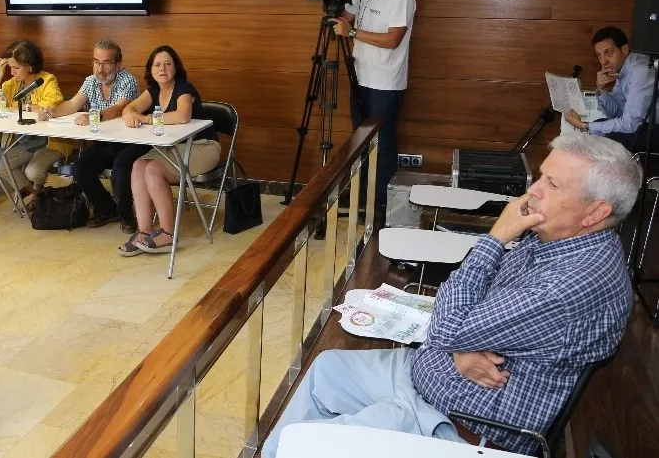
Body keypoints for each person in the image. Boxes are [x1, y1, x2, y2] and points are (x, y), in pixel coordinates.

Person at [262, 134, 636, 458]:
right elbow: (460, 321)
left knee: (306, 442)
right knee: (324, 370)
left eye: (552, 185)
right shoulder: (559, 238)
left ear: (596, 212)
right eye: (540, 176)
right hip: (442, 374)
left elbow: (449, 327)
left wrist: (495, 238)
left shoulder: (571, 283)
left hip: (462, 423)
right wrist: (458, 344)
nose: (532, 191)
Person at [332, 0, 416, 212]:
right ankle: (362, 195)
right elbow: (348, 16)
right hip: (360, 78)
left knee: (382, 142)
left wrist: (352, 32)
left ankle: (379, 202)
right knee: (361, 139)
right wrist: (335, 5)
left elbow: (393, 40)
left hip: (385, 82)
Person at [117, 46, 220, 256]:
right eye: (157, 64)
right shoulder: (154, 90)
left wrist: (145, 118)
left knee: (153, 169)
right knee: (138, 165)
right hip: (175, 148)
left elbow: (182, 116)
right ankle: (144, 231)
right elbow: (129, 108)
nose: (162, 68)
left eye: (167, 63)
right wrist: (130, 114)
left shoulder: (183, 87)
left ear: (175, 67)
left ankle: (168, 233)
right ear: (151, 69)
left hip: (202, 147)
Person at [37, 39, 140, 231]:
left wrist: (93, 116)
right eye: (96, 62)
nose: (100, 69)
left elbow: (119, 109)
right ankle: (108, 209)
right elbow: (72, 104)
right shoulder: (91, 81)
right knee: (80, 168)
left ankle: (128, 217)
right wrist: (51, 111)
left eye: (106, 63)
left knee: (120, 170)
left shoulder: (128, 80)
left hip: (130, 142)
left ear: (118, 64)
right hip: (106, 142)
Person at [0, 40, 77, 205]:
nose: (12, 72)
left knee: (32, 171)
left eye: (16, 68)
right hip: (24, 141)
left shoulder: (47, 80)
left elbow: (52, 105)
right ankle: (37, 193)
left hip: (50, 142)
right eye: (10, 67)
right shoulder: (13, 84)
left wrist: (25, 106)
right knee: (1, 165)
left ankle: (36, 195)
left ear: (29, 66)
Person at [565, 26, 658, 150]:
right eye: (599, 55)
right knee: (600, 124)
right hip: (644, 127)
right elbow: (616, 114)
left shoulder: (640, 70)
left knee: (605, 138)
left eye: (608, 53)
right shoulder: (622, 68)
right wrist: (602, 89)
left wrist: (584, 125)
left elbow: (630, 124)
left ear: (624, 49)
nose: (603, 61)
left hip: (654, 129)